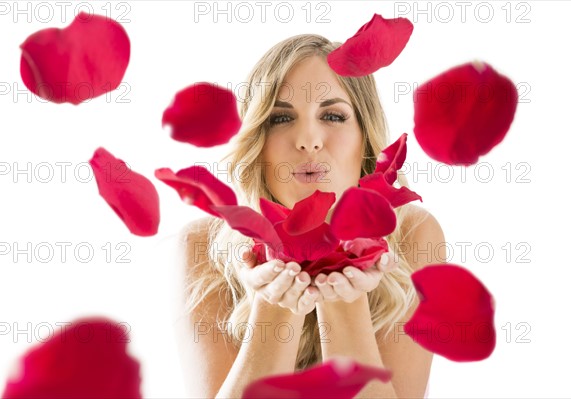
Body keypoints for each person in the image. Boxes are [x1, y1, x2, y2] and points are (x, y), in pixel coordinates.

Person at [173, 34, 446, 398]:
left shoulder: (412, 233)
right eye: (281, 118)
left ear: (365, 138)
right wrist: (274, 302)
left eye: (332, 115)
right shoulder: (202, 246)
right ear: (257, 140)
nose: (308, 138)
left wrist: (344, 293)